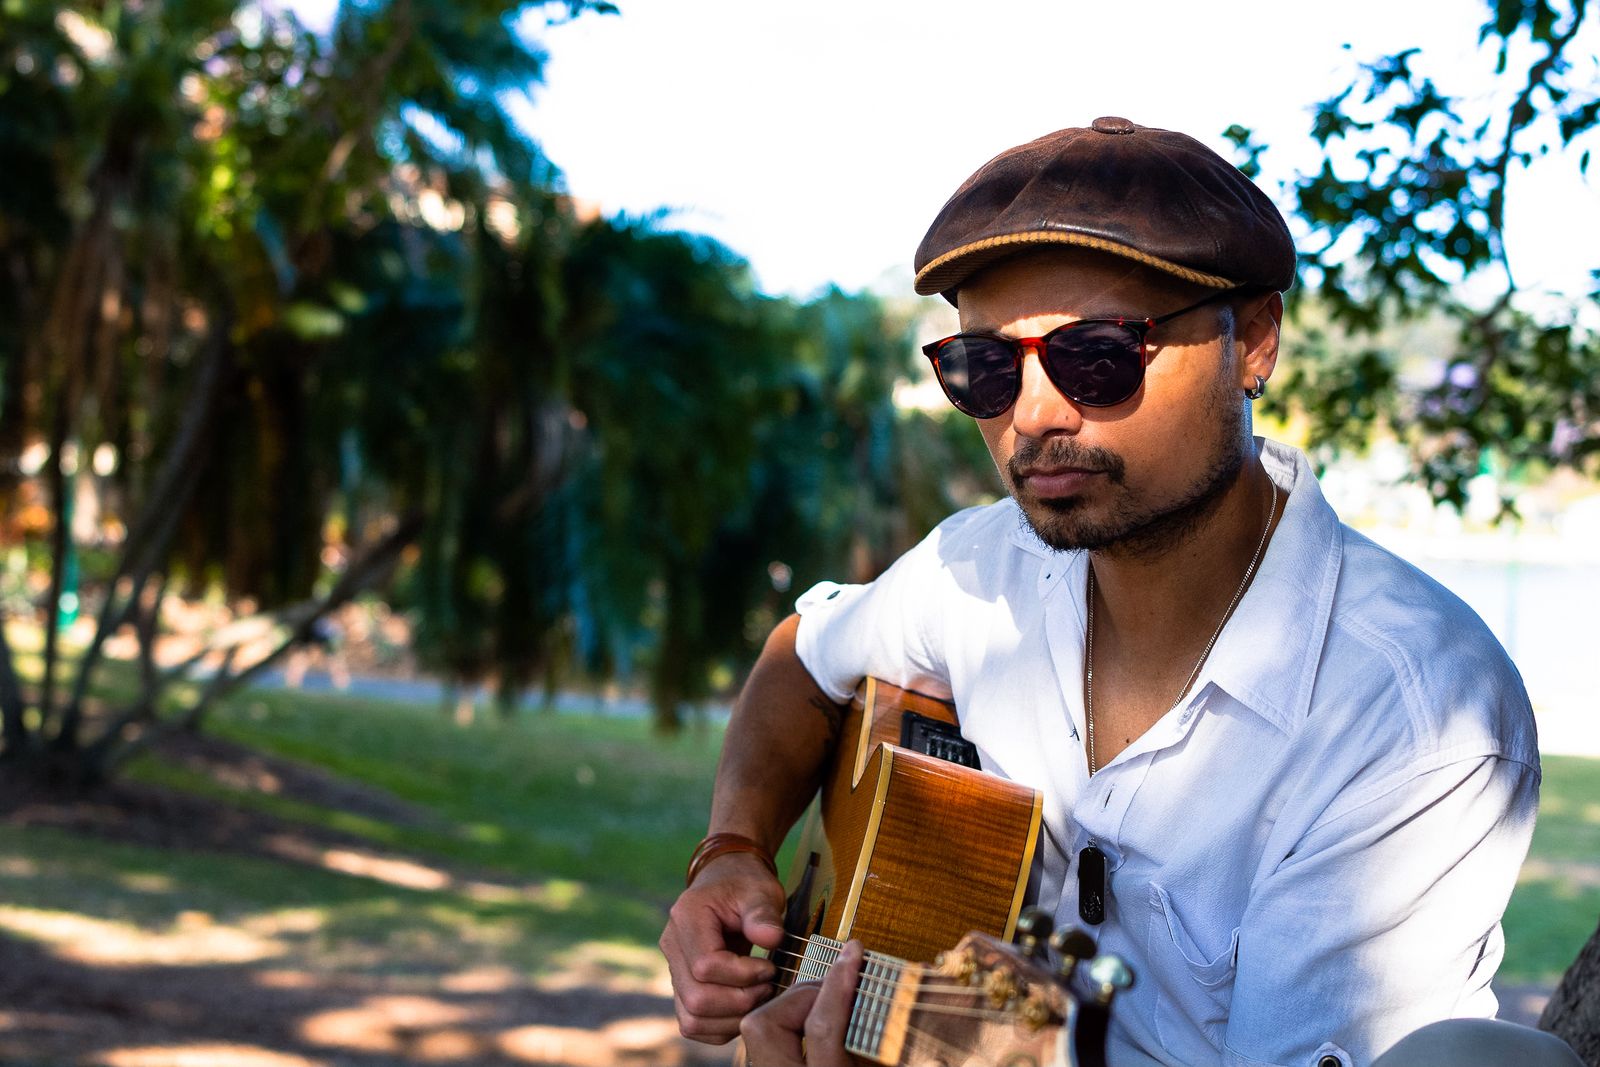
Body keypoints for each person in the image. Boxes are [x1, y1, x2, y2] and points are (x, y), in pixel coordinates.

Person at [660, 118, 1574, 1067]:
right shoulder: (982, 567)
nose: (1034, 415)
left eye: (1097, 355)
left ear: (1254, 342)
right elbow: (803, 657)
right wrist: (731, 851)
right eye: (986, 368)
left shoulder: (1412, 718)